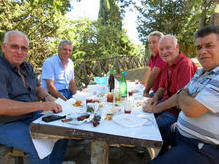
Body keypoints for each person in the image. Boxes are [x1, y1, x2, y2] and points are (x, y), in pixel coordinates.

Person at [149, 25, 219, 164]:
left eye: (209, 46)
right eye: (199, 47)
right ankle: (160, 154)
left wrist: (182, 95)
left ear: (177, 48)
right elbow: (178, 94)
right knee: (151, 127)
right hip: (180, 131)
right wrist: (183, 95)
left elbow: (190, 109)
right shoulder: (201, 72)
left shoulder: (186, 64)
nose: (203, 51)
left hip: (201, 146)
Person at [0, 30, 67, 164]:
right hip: (6, 123)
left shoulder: (26, 66)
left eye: (23, 48)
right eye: (14, 46)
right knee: (39, 148)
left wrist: (47, 97)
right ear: (3, 47)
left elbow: (37, 88)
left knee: (62, 131)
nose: (19, 51)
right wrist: (42, 105)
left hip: (31, 115)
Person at [143, 35, 197, 154]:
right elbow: (161, 87)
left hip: (178, 111)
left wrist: (156, 109)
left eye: (168, 48)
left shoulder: (185, 64)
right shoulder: (167, 64)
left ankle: (159, 153)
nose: (164, 52)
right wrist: (155, 98)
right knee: (143, 116)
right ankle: (152, 147)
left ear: (177, 47)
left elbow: (179, 99)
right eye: (161, 49)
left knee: (153, 126)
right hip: (167, 105)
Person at [142, 31, 166, 97]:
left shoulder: (162, 54)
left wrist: (146, 91)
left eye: (154, 42)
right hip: (155, 92)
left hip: (163, 94)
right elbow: (149, 72)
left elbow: (154, 74)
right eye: (149, 43)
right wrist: (141, 85)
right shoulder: (152, 56)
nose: (151, 45)